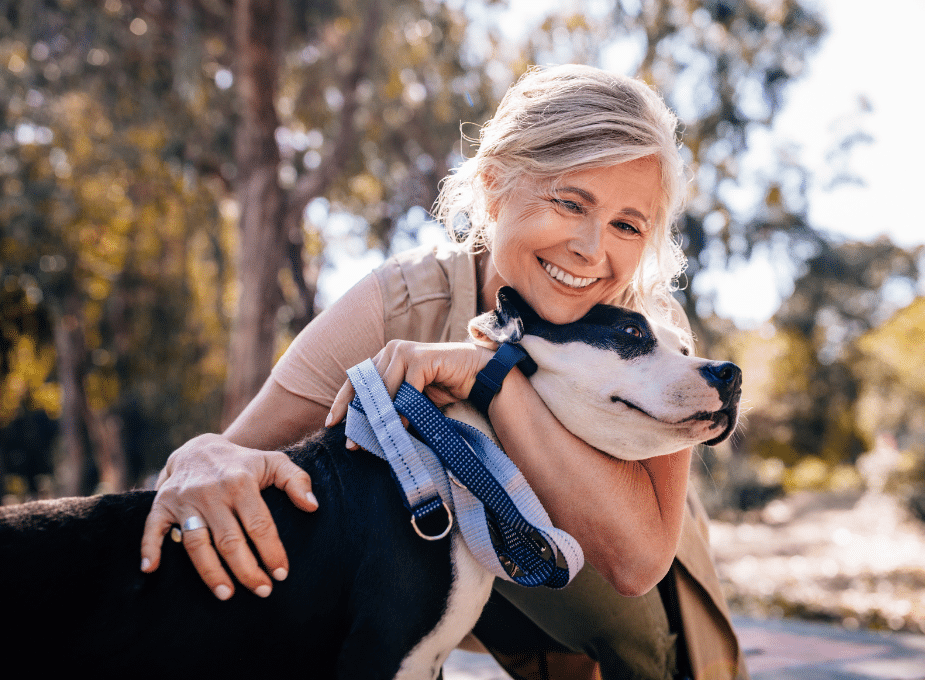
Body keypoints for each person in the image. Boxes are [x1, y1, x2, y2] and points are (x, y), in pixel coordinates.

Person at [140, 64, 750, 680]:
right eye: (570, 203)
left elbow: (637, 561)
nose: (593, 250)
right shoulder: (404, 301)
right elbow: (231, 454)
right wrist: (198, 459)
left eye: (626, 225)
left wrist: (491, 377)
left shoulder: (651, 330)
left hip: (619, 611)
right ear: (493, 185)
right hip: (446, 571)